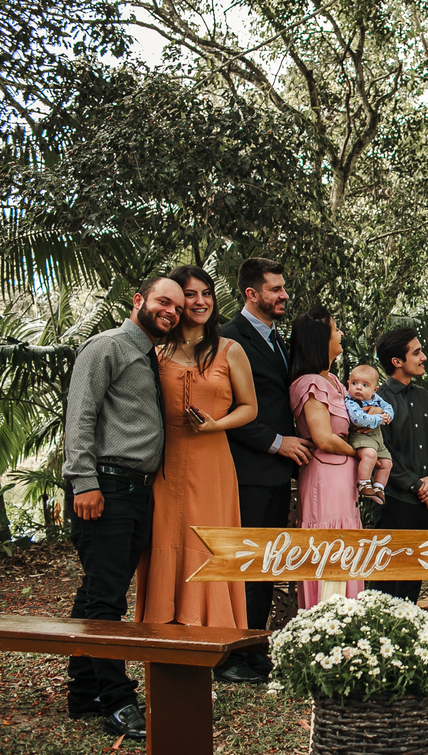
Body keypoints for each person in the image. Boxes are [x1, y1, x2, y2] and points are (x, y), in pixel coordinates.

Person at [63, 276, 184, 740]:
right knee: (107, 598)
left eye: (176, 306)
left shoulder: (149, 355)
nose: (171, 311)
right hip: (106, 487)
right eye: (163, 302)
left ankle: (84, 691)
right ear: (139, 301)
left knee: (97, 590)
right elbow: (81, 414)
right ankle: (117, 698)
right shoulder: (107, 345)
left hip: (136, 491)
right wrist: (84, 482)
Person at [135, 266, 257, 636]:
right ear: (175, 301)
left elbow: (249, 407)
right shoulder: (154, 353)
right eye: (191, 294)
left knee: (208, 539)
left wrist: (215, 424)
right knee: (166, 536)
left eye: (207, 293)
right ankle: (164, 627)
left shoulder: (229, 349)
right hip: (165, 462)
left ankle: (215, 629)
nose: (201, 301)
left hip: (212, 460)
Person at [220, 258, 312, 679]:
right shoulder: (226, 339)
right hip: (247, 471)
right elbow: (224, 409)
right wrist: (278, 442)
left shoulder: (279, 340)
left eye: (283, 287)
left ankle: (254, 648)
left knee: (266, 564)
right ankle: (231, 655)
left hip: (278, 475)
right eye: (275, 289)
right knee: (246, 565)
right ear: (251, 294)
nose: (284, 295)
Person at [289, 306, 362, 608]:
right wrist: (357, 453)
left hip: (343, 478)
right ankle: (327, 629)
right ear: (320, 340)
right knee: (329, 550)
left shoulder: (333, 380)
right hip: (325, 477)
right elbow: (323, 438)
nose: (341, 333)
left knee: (347, 548)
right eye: (335, 329)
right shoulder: (310, 383)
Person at [373, 328, 428, 601]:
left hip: (426, 501)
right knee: (388, 580)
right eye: (416, 352)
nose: (424, 357)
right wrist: (416, 484)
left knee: (414, 575)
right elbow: (382, 453)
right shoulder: (378, 401)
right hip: (394, 501)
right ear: (397, 362)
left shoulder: (424, 397)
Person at [345, 363, 393, 504]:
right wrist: (379, 418)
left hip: (378, 439)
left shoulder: (376, 399)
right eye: (354, 383)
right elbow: (359, 419)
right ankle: (364, 482)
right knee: (370, 455)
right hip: (361, 436)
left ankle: (378, 487)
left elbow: (388, 407)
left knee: (386, 462)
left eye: (365, 385)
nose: (358, 387)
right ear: (348, 384)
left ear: (374, 389)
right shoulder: (351, 402)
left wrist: (387, 414)